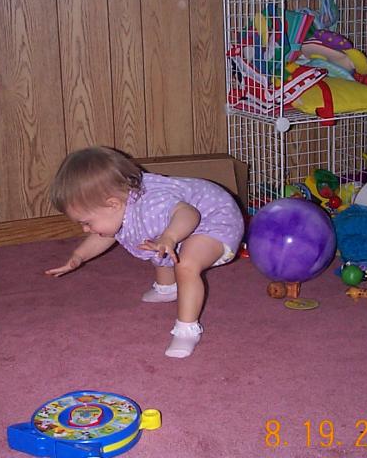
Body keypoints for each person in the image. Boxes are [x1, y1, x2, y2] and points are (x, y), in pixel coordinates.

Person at [45, 146, 244, 358]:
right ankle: (167, 288)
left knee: (186, 264)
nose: (85, 229)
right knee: (153, 242)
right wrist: (78, 256)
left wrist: (169, 237)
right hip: (184, 221)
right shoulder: (122, 206)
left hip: (217, 220)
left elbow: (189, 214)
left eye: (87, 222)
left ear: (112, 204)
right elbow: (103, 235)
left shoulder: (153, 206)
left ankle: (187, 329)